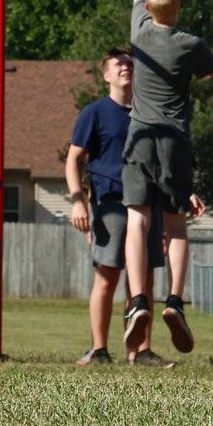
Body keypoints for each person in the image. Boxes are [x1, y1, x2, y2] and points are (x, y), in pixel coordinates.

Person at [121, 0, 213, 355]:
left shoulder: (140, 32)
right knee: (177, 224)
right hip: (176, 139)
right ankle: (175, 302)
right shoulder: (190, 44)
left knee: (137, 220)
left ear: (148, 6)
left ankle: (137, 301)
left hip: (140, 135)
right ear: (179, 7)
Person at [64, 49, 170, 366]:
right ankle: (99, 350)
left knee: (145, 280)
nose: (125, 67)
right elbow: (74, 160)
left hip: (148, 205)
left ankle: (140, 352)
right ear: (106, 75)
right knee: (108, 277)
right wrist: (78, 200)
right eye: (118, 64)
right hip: (110, 203)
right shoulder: (94, 113)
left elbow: (160, 163)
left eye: (130, 64)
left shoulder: (148, 113)